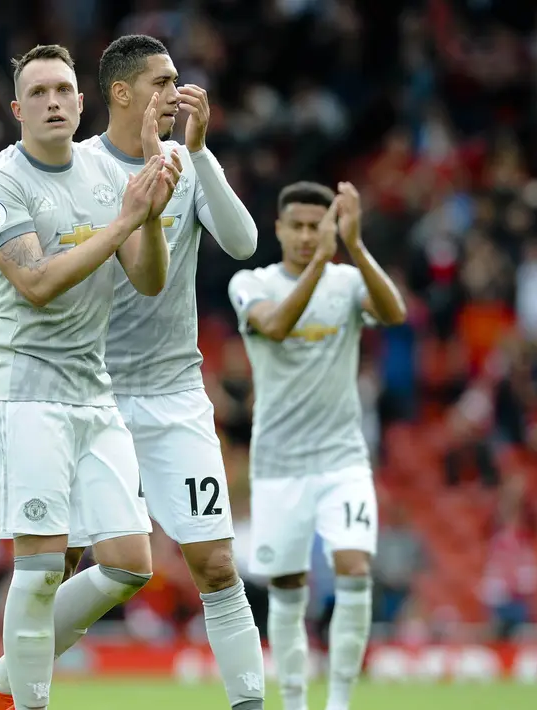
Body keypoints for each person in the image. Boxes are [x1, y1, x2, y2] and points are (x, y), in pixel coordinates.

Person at [0, 34, 266, 710]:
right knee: (62, 564)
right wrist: (133, 214)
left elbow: (243, 243)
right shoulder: (82, 169)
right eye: (162, 83)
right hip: (86, 388)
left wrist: (193, 156)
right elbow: (40, 280)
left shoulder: (179, 164)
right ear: (122, 93)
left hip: (171, 393)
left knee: (215, 565)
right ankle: (15, 685)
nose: (177, 93)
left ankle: (7, 684)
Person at [0, 44, 180, 710]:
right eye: (39, 92)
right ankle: (26, 702)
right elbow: (34, 283)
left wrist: (152, 215)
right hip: (25, 393)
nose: (53, 102)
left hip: (92, 392)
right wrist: (122, 222)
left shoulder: (107, 172)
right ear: (17, 108)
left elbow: (147, 280)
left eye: (63, 90)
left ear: (82, 104)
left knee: (127, 562)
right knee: (42, 565)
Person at [228, 182, 407, 710]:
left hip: (341, 459)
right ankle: (296, 702)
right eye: (298, 226)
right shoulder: (252, 283)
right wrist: (322, 262)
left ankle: (341, 702)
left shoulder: (347, 281)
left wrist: (355, 248)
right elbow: (276, 327)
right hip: (278, 464)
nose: (308, 236)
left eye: (317, 226)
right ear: (279, 228)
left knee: (354, 568)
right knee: (287, 586)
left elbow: (395, 314)